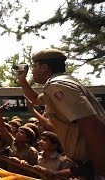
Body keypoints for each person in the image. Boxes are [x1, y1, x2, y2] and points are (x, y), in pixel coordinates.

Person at [16, 48, 105, 178]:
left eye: (34, 66)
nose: (32, 71)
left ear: (44, 67)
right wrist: (22, 80)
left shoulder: (58, 85)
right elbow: (35, 99)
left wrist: (100, 170)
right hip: (87, 165)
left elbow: (92, 125)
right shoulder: (57, 84)